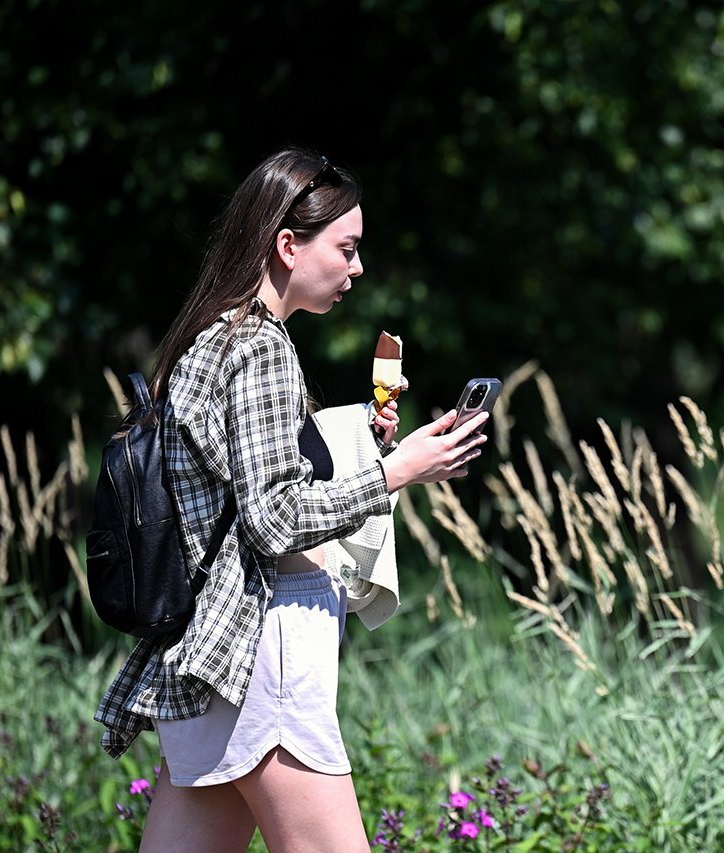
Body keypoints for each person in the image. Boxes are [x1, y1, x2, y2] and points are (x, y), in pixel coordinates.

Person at [94, 146, 487, 851]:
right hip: (264, 655)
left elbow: (238, 479)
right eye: (347, 247)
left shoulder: (213, 335)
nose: (357, 267)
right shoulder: (264, 346)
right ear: (287, 244)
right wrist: (398, 470)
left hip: (213, 658)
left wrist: (359, 437)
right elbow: (274, 517)